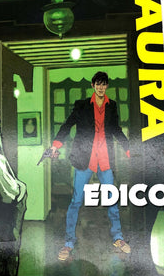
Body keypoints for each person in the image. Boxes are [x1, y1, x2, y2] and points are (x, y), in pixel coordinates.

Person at [51, 71, 131, 261]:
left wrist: (128, 149)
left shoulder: (112, 106)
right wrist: (56, 145)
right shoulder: (82, 105)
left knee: (112, 199)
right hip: (84, 159)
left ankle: (118, 238)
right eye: (98, 84)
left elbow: (116, 129)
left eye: (104, 84)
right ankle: (69, 243)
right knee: (76, 201)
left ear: (106, 86)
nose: (101, 87)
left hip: (105, 159)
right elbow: (67, 125)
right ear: (93, 85)